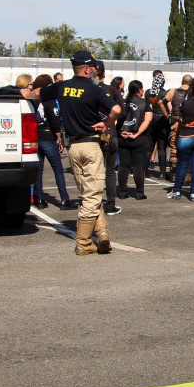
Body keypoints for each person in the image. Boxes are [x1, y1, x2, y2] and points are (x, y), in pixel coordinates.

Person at [35, 50, 121, 255]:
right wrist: (107, 123)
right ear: (87, 68)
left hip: (72, 147)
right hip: (91, 145)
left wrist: (14, 91)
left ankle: (102, 233)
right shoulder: (94, 89)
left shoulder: (61, 86)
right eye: (92, 67)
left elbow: (34, 93)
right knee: (93, 195)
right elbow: (116, 110)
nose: (94, 70)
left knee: (89, 193)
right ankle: (83, 241)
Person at [29, 74, 73, 210]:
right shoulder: (50, 100)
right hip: (48, 136)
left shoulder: (32, 100)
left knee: (39, 170)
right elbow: (55, 122)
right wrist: (59, 138)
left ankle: (40, 198)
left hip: (35, 137)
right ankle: (64, 199)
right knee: (58, 169)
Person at [116, 80, 153, 200]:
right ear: (139, 90)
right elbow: (147, 120)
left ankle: (122, 191)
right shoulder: (145, 103)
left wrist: (121, 131)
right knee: (138, 165)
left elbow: (115, 118)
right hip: (138, 138)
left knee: (124, 164)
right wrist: (136, 133)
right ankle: (139, 192)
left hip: (123, 136)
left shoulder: (122, 101)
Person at [96, 62, 123, 215]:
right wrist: (114, 127)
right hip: (109, 132)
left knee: (96, 170)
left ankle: (96, 202)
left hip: (95, 133)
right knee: (110, 169)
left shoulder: (89, 90)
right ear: (104, 74)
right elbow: (122, 112)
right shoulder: (112, 90)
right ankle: (110, 204)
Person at [163, 75, 192, 176]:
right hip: (188, 122)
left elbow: (162, 101)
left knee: (174, 145)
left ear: (182, 81)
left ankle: (173, 171)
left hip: (175, 120)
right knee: (188, 147)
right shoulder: (193, 92)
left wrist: (167, 115)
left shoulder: (173, 91)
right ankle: (186, 171)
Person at [146, 71, 171, 181]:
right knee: (162, 145)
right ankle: (162, 173)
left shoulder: (148, 92)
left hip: (150, 119)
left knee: (150, 145)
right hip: (161, 120)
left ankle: (145, 169)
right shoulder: (165, 93)